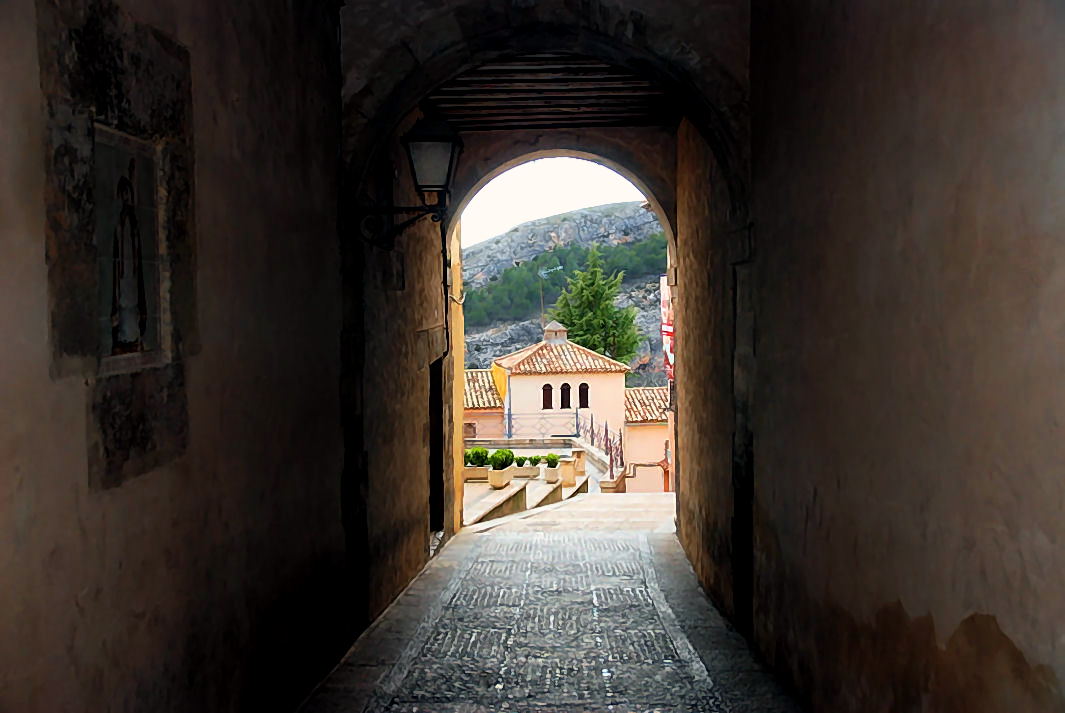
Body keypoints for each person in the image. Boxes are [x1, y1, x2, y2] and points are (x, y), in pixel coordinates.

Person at [110, 157, 148, 354]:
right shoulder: (121, 222)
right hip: (123, 275)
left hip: (131, 275)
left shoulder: (132, 221)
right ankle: (125, 338)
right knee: (125, 301)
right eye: (123, 194)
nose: (125, 197)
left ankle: (133, 337)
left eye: (128, 193)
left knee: (132, 299)